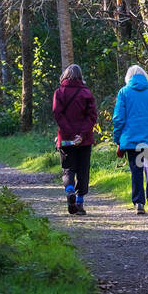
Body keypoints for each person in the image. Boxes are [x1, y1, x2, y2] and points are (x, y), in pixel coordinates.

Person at [112, 64, 148, 215]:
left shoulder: (124, 92)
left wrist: (117, 139)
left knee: (137, 169)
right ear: (144, 76)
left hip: (133, 140)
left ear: (128, 77)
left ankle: (139, 202)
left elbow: (119, 118)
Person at [52, 64, 97, 215]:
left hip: (65, 139)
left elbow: (58, 114)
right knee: (83, 170)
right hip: (84, 140)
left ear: (65, 75)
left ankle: (70, 190)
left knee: (68, 168)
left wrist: (70, 133)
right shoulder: (87, 93)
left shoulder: (59, 92)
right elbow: (91, 117)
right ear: (80, 76)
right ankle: (79, 203)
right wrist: (81, 135)